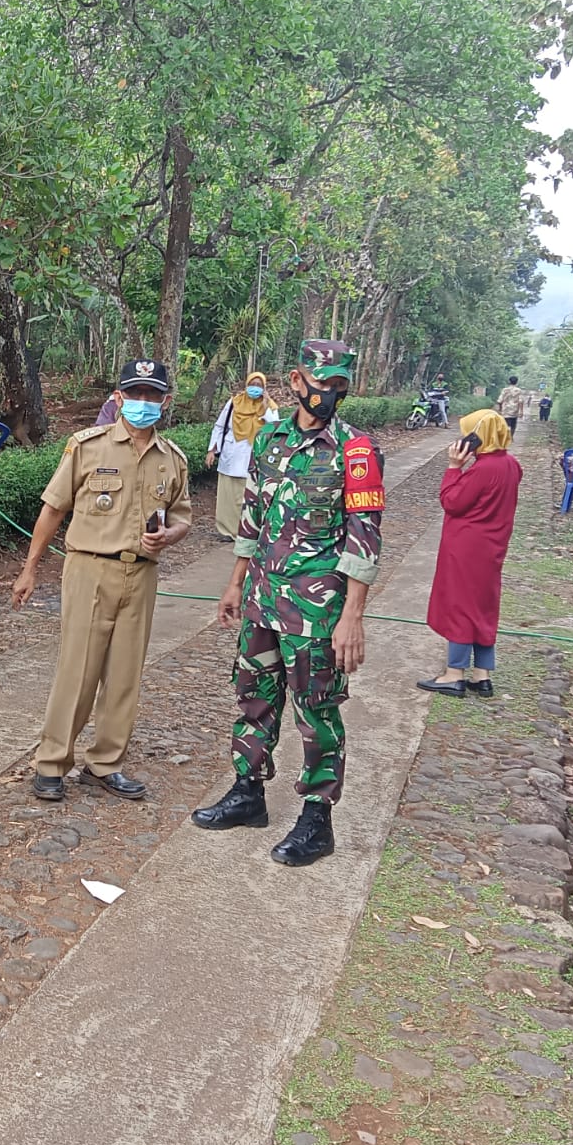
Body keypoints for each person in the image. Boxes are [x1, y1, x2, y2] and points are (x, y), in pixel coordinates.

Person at [191, 339, 383, 867]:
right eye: (323, 385)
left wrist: (353, 617)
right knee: (254, 694)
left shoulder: (356, 450)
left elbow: (364, 535)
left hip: (317, 607)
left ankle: (318, 820)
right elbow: (252, 517)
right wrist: (235, 582)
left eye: (340, 387)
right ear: (297, 381)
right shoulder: (269, 439)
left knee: (317, 709)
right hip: (262, 597)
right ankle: (247, 792)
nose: (330, 396)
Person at [12, 359, 192, 802]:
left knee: (125, 674)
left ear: (166, 401)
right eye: (135, 394)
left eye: (152, 396)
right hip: (90, 568)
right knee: (78, 669)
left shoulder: (173, 459)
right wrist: (30, 567)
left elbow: (183, 517)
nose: (143, 403)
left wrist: (167, 536)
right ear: (118, 398)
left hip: (142, 573)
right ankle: (52, 762)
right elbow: (53, 509)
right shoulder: (87, 446)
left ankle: (105, 763)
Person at [417, 411, 522, 699]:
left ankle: (454, 673)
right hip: (493, 547)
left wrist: (453, 467)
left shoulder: (483, 469)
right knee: (484, 605)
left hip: (467, 547)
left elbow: (452, 502)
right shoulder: (511, 465)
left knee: (460, 605)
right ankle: (482, 674)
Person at [207, 373, 280, 539]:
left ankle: (246, 532)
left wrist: (265, 405)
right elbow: (219, 426)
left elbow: (275, 427)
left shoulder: (269, 406)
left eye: (259, 385)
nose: (255, 388)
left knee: (249, 496)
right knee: (227, 496)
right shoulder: (234, 403)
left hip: (253, 456)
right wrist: (212, 450)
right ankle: (226, 530)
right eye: (252, 384)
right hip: (231, 454)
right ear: (246, 385)